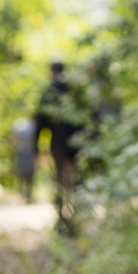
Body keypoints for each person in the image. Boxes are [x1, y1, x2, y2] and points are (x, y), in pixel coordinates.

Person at [34, 61, 85, 234]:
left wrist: (36, 149)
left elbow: (40, 121)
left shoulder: (50, 91)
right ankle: (77, 218)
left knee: (60, 182)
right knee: (77, 182)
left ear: (50, 71)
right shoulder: (76, 89)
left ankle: (63, 220)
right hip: (78, 144)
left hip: (58, 144)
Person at [11, 117, 36, 204]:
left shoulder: (20, 127)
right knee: (29, 176)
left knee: (22, 175)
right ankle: (27, 196)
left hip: (22, 153)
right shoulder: (33, 128)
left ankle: (23, 195)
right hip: (29, 153)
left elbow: (15, 140)